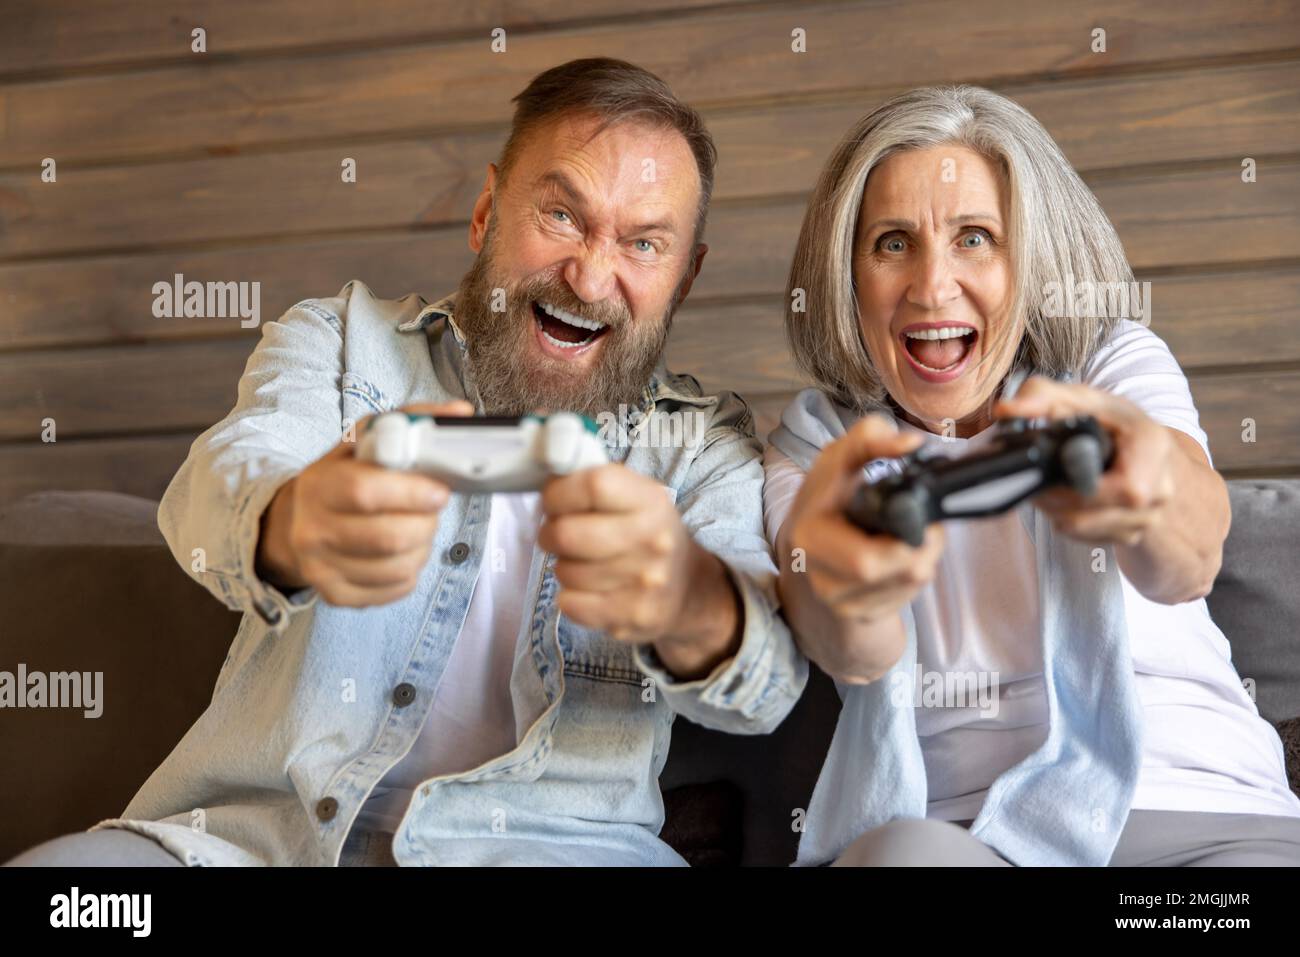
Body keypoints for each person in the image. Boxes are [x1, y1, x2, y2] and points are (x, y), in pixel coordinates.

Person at [7, 57, 805, 868]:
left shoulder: (703, 447)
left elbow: (769, 682)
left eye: (643, 242)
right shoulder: (339, 340)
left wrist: (684, 599)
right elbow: (214, 490)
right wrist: (296, 522)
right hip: (251, 848)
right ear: (487, 212)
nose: (591, 275)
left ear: (684, 278)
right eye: (562, 215)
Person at [764, 85, 1300, 867]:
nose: (931, 285)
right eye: (891, 243)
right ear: (847, 276)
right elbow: (846, 642)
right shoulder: (818, 444)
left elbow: (1189, 558)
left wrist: (1146, 499)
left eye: (974, 238)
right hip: (963, 836)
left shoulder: (1112, 365)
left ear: (1031, 260)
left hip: (1201, 813)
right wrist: (852, 590)